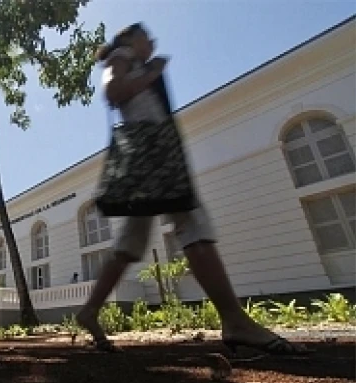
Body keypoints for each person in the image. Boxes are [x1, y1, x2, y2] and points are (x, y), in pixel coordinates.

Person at [77, 23, 312, 356]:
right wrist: (152, 72)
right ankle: (234, 320)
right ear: (132, 38)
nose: (153, 43)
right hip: (153, 154)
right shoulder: (123, 55)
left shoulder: (134, 59)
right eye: (148, 38)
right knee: (192, 222)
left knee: (130, 243)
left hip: (152, 154)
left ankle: (89, 310)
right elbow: (113, 92)